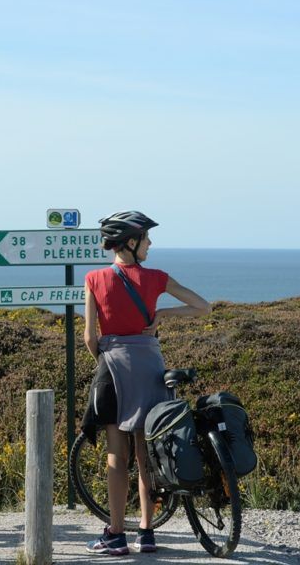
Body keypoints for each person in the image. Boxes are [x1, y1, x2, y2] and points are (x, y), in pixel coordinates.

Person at [83, 211, 211, 555]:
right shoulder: (157, 278)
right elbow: (203, 307)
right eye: (146, 238)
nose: (150, 244)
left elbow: (88, 338)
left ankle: (115, 535)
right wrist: (161, 316)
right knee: (145, 455)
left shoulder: (94, 278)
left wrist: (107, 360)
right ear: (131, 242)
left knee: (116, 455)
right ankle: (146, 532)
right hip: (151, 366)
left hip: (112, 366)